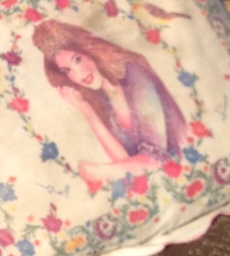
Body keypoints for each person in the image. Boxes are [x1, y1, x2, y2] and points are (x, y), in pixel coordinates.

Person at [31, 19, 189, 190]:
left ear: (90, 51)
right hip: (163, 187)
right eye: (67, 70)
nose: (79, 73)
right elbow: (126, 166)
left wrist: (98, 172)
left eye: (77, 60)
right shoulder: (101, 100)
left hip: (186, 172)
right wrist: (86, 110)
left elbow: (156, 159)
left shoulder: (134, 73)